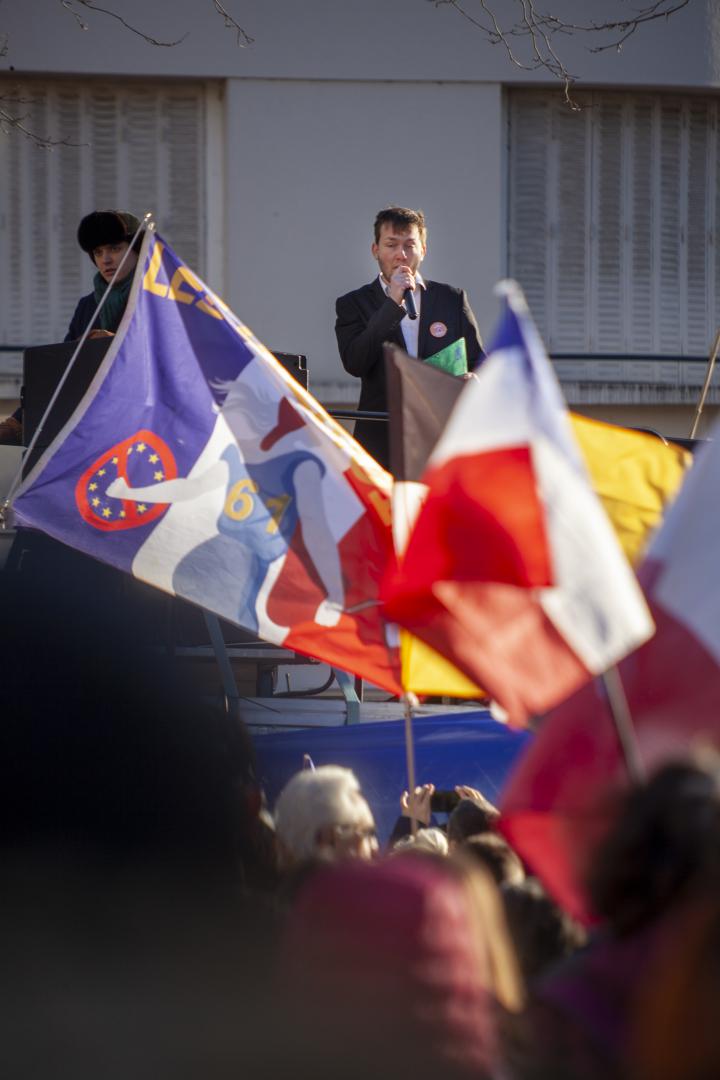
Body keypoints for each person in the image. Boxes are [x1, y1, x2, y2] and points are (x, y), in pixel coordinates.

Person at [335, 206, 483, 470]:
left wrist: (475, 378)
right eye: (391, 245)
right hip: (383, 439)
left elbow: (479, 361)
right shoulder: (354, 303)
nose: (401, 255)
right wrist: (392, 304)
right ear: (375, 250)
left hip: (441, 437)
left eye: (409, 245)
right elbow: (355, 362)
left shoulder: (451, 299)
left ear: (423, 250)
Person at [0, 209, 143, 446]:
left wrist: (117, 346)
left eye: (115, 248)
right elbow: (63, 371)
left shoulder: (159, 300)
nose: (106, 259)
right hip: (89, 420)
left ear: (138, 250)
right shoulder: (89, 305)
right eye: (98, 252)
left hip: (140, 422)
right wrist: (20, 421)